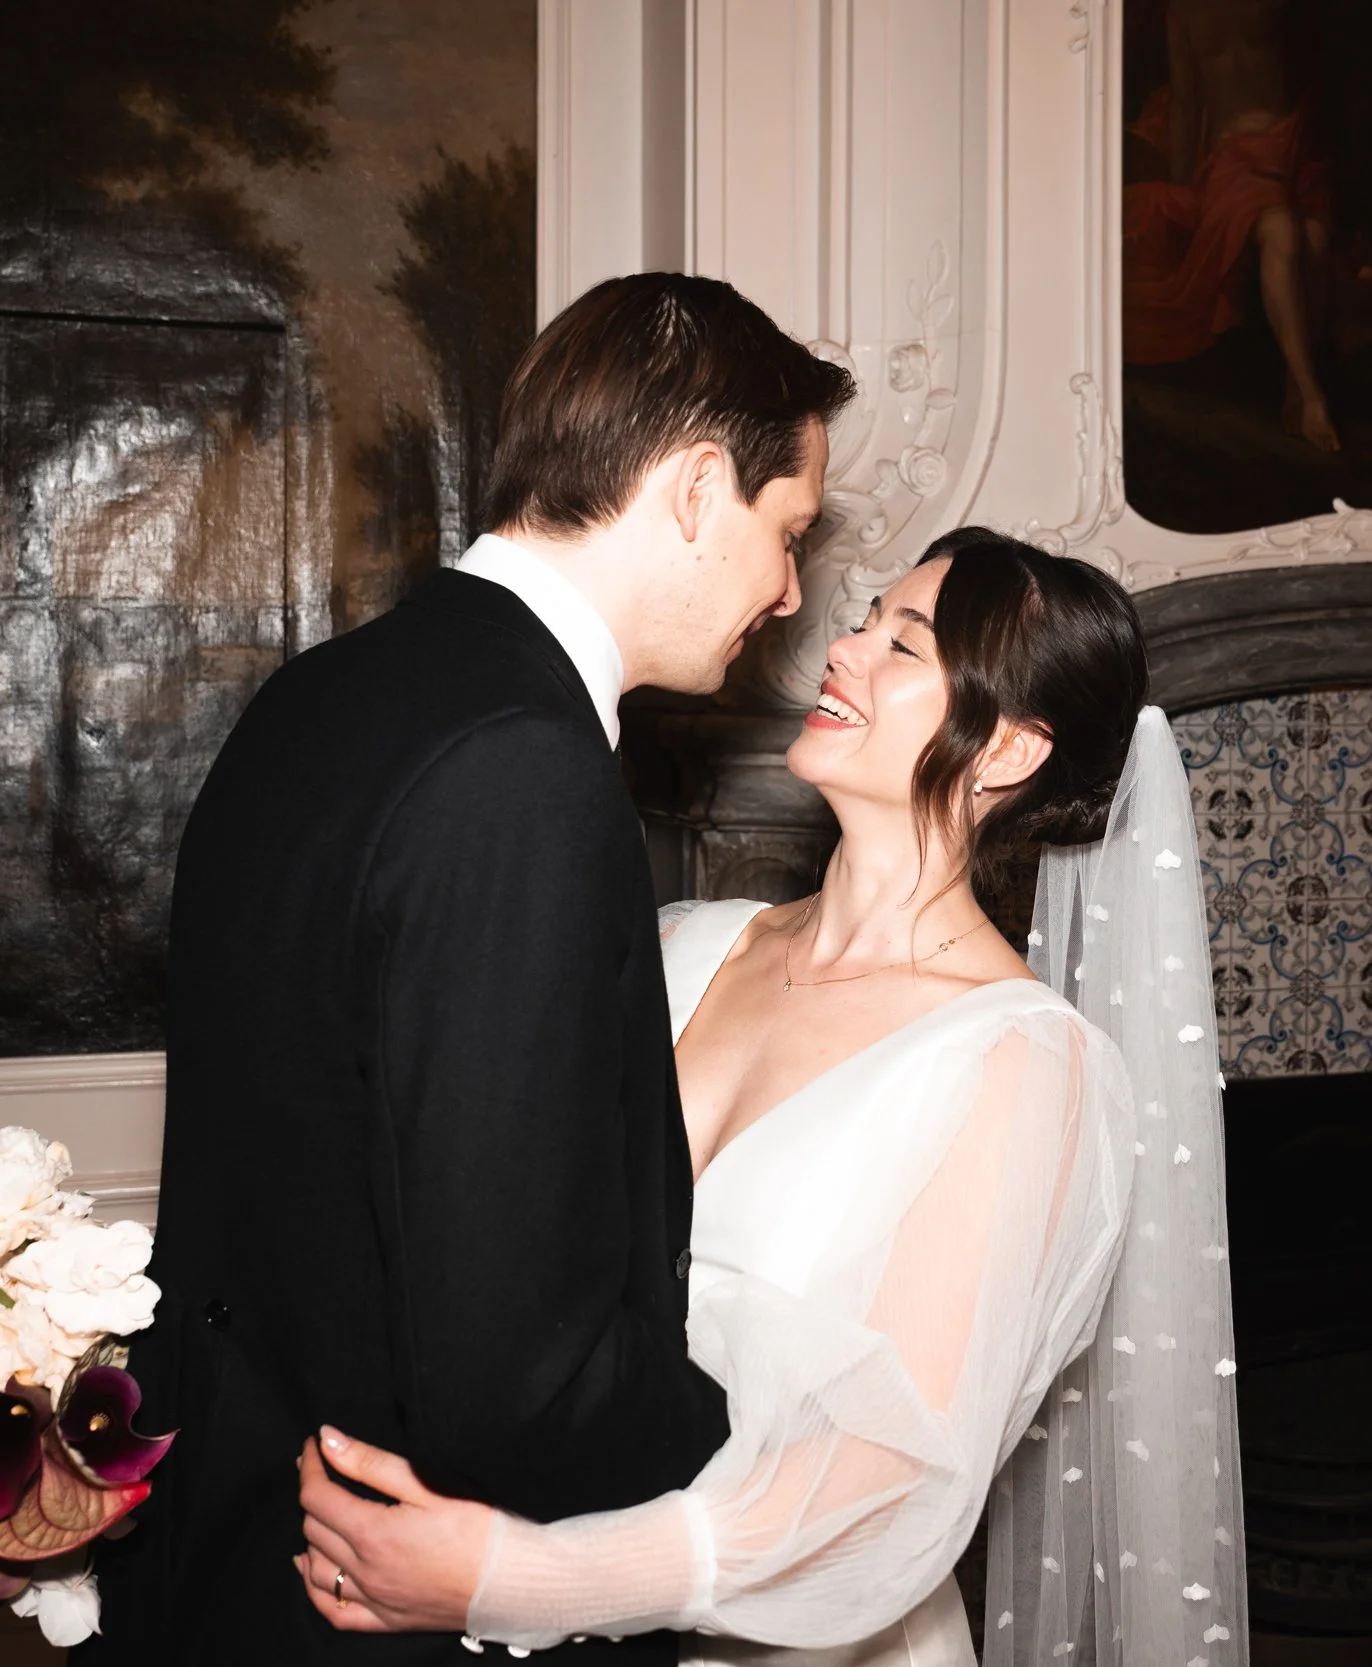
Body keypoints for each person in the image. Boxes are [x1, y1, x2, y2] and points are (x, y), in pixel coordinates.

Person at [290, 532, 1248, 1667]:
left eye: (903, 641)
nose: (840, 648)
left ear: (1005, 747)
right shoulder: (685, 945)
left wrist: (510, 1579)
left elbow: (881, 1489)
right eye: (865, 617)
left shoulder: (1025, 1066)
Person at [81, 273, 858, 1666]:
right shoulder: (523, 768)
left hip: (233, 1535)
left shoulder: (329, 689)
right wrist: (765, 1469)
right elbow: (518, 1378)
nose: (790, 589)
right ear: (692, 490)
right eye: (787, 531)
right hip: (380, 1595)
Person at [1125, 0, 1342, 451]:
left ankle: (1293, 385)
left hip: (1292, 142)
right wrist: (1185, 187)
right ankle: (1313, 396)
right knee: (1281, 231)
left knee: (1316, 239)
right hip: (1233, 157)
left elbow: (1313, 60)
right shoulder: (1181, 12)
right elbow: (1187, 102)